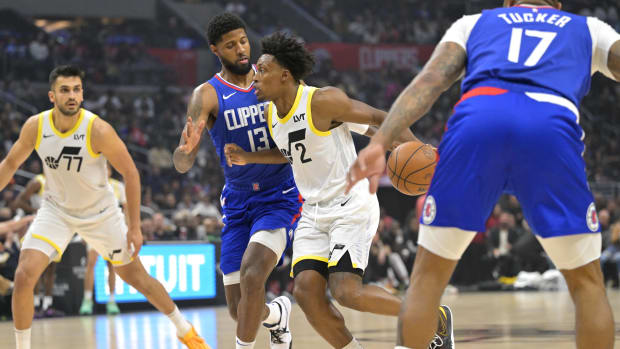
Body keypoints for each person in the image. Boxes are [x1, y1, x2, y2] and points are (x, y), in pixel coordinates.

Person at [347, 1, 620, 348]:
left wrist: (380, 141)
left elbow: (431, 80)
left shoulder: (476, 23)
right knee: (587, 285)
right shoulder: (587, 28)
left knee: (427, 283)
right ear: (558, 5)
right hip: (548, 124)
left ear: (507, 3)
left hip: (477, 121)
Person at [224, 31, 454, 349]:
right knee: (305, 292)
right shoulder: (270, 114)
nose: (255, 77)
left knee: (347, 291)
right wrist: (248, 157)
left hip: (349, 202)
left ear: (285, 75)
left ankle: (431, 315)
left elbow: (379, 118)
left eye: (262, 70)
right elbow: (292, 150)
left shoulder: (322, 101)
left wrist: (417, 151)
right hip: (313, 211)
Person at [0, 65, 209, 349]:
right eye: (65, 90)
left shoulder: (97, 129)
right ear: (52, 96)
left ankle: (184, 329)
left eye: (76, 89)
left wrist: (134, 227)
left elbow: (131, 173)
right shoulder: (36, 127)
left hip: (101, 214)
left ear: (82, 94)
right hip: (56, 212)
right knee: (24, 275)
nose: (72, 95)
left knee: (136, 277)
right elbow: (11, 164)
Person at [172, 13, 301, 349]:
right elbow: (182, 163)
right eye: (231, 45)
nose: (241, 49)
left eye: (243, 41)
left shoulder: (271, 80)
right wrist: (185, 151)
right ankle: (278, 315)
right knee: (238, 309)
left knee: (254, 274)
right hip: (238, 200)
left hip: (279, 196)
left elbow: (296, 147)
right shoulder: (208, 94)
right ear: (216, 50)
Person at [79, 165, 125, 315]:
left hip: (113, 230)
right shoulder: (90, 185)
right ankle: (87, 301)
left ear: (111, 171)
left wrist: (129, 229)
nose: (104, 171)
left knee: (112, 266)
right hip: (94, 229)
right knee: (91, 264)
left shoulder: (118, 186)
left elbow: (126, 209)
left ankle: (112, 301)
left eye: (107, 169)